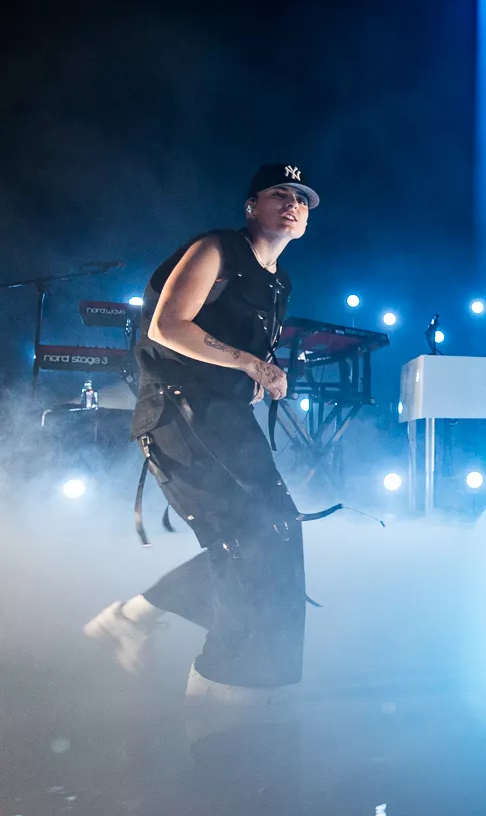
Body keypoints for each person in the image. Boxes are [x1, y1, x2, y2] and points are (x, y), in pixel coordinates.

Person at [83, 163, 318, 705]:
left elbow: (235, 348)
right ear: (251, 206)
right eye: (279, 193)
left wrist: (253, 375)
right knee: (247, 539)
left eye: (302, 199)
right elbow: (168, 324)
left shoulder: (279, 280)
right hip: (178, 413)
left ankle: (148, 625)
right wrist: (250, 364)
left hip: (224, 416)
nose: (293, 204)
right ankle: (220, 685)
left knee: (273, 531)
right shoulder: (218, 248)